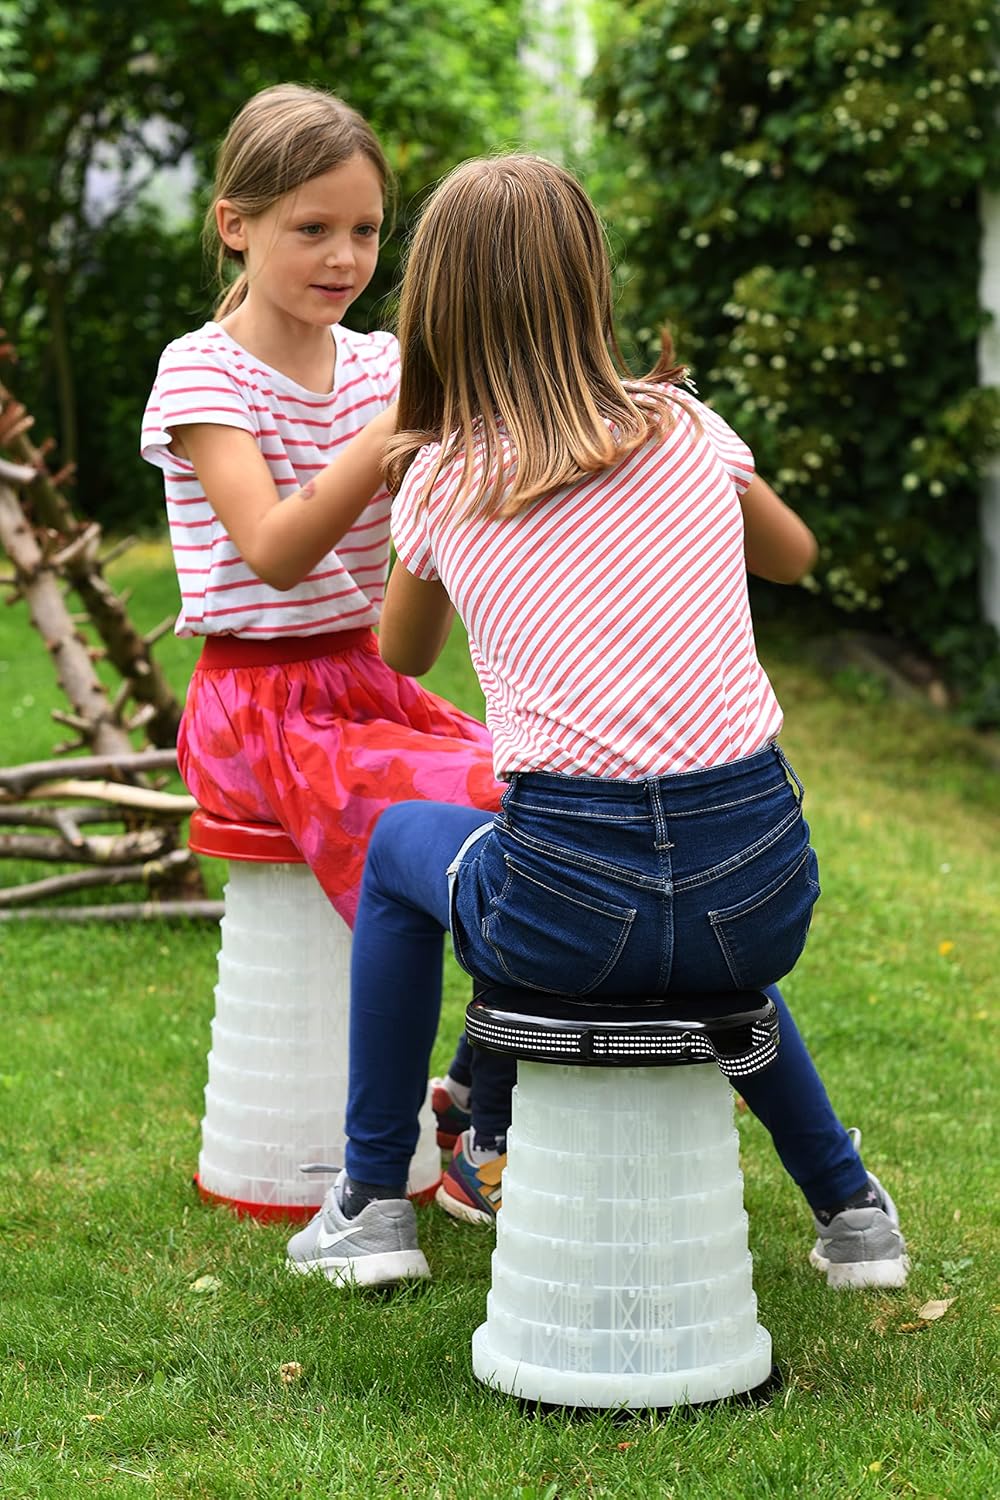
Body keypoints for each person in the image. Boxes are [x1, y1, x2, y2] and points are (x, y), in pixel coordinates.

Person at [285, 154, 908, 1293]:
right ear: (589, 286)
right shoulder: (684, 425)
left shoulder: (443, 478)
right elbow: (792, 555)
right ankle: (853, 1212)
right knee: (697, 924)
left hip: (570, 913)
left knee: (402, 844)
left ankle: (373, 1204)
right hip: (760, 890)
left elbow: (402, 652)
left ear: (437, 309)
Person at [139, 84, 504, 935]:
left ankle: (501, 1032)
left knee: (550, 781)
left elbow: (449, 515)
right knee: (491, 796)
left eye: (365, 231)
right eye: (313, 229)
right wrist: (398, 421)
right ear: (236, 225)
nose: (344, 257)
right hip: (254, 713)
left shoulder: (380, 366)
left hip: (367, 687)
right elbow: (274, 551)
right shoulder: (203, 372)